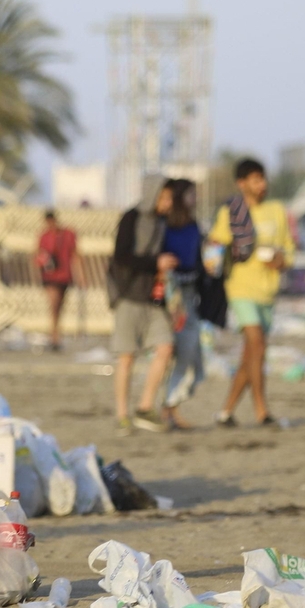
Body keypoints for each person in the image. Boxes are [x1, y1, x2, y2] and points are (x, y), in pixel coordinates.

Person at [208, 158, 293, 427]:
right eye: (256, 180)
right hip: (240, 288)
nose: (262, 185)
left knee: (251, 355)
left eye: (263, 178)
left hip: (268, 291)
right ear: (242, 183)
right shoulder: (231, 212)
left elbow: (288, 248)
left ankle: (226, 411)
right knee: (256, 344)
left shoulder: (277, 210)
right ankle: (261, 411)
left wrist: (282, 260)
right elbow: (214, 248)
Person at [109, 180, 176, 435]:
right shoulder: (131, 217)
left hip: (153, 297)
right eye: (165, 198)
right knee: (126, 356)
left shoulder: (161, 223)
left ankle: (145, 407)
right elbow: (121, 256)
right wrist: (155, 262)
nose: (168, 203)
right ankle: (122, 415)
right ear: (153, 195)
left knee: (165, 346)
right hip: (128, 295)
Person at [160, 178, 205, 429]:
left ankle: (171, 408)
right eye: (191, 194)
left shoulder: (194, 226)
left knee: (191, 357)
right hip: (169, 298)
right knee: (175, 355)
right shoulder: (163, 225)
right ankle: (166, 410)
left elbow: (198, 260)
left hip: (189, 296)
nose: (195, 199)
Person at [35, 209, 77, 350]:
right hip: (50, 277)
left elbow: (75, 254)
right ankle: (54, 337)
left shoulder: (67, 235)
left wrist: (81, 275)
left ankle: (56, 335)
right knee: (53, 305)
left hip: (64, 276)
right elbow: (38, 255)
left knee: (59, 307)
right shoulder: (44, 236)